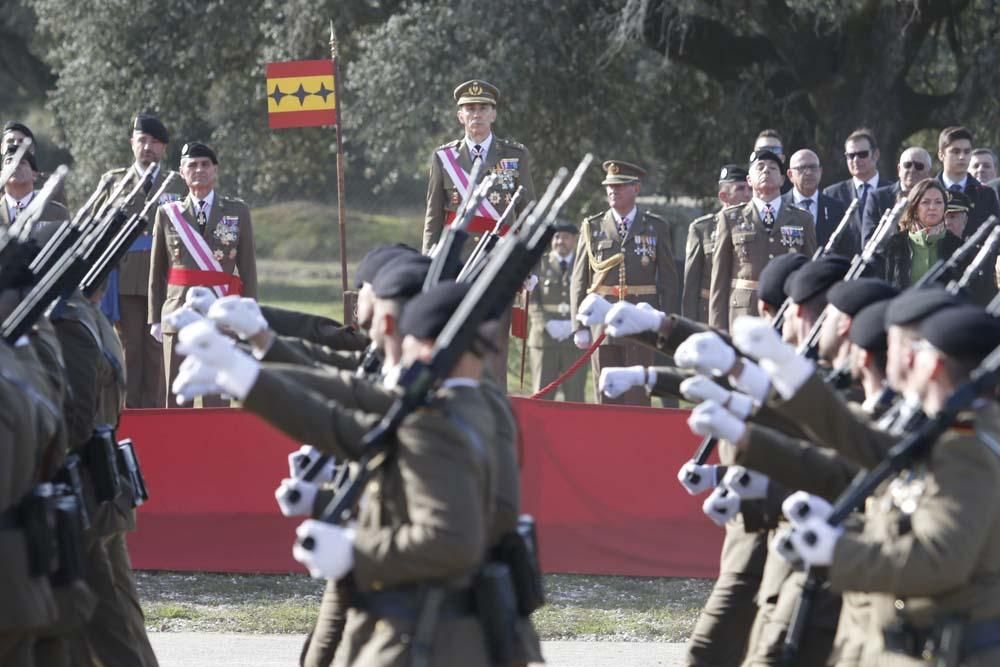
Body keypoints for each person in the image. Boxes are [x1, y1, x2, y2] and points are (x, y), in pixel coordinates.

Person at [176, 281, 499, 666]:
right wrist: (239, 369)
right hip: (416, 610)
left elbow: (455, 539)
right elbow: (347, 407)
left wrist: (355, 550)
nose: (400, 349)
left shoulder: (443, 416)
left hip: (433, 627)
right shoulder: (446, 407)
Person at [773, 303, 1000, 666]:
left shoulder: (964, 447)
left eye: (918, 352)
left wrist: (836, 552)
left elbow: (940, 559)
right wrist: (848, 529)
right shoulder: (952, 434)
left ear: (936, 364)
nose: (909, 360)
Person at [422, 80, 535, 392]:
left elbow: (529, 216)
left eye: (483, 108)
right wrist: (428, 263)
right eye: (470, 109)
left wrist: (529, 266)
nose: (477, 114)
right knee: (455, 339)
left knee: (494, 342)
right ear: (460, 116)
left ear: (493, 114)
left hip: (498, 262)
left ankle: (494, 406)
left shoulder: (515, 156)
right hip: (456, 265)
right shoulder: (443, 158)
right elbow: (433, 218)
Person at [148, 141, 257, 407]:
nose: (199, 170)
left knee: (217, 397)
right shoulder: (168, 213)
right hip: (177, 314)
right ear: (182, 172)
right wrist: (155, 318)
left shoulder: (237, 212)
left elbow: (248, 269)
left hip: (221, 313)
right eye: (192, 165)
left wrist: (250, 316)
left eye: (205, 164)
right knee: (176, 395)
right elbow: (157, 270)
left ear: (215, 170)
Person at [570, 160, 679, 405]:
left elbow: (669, 282)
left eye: (619, 186)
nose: (612, 190)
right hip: (602, 325)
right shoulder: (593, 227)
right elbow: (579, 281)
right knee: (605, 393)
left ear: (636, 189)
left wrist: (667, 323)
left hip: (641, 322)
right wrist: (579, 325)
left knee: (638, 395)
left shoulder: (656, 227)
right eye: (609, 186)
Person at [98, 113, 188, 409]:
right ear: (132, 143)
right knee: (129, 348)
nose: (148, 147)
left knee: (157, 349)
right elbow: (96, 229)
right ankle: (128, 412)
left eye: (155, 142)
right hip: (124, 278)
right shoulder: (113, 182)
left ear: (164, 149)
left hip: (164, 281)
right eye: (142, 140)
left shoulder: (177, 184)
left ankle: (156, 413)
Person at [708, 150, 816, 332]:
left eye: (773, 168)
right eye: (760, 167)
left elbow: (809, 274)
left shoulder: (802, 219)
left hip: (785, 311)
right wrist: (718, 330)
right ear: (749, 180)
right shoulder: (730, 218)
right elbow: (719, 279)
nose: (766, 171)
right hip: (743, 314)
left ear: (782, 179)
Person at [682, 164, 751, 323]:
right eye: (741, 189)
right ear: (723, 196)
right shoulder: (702, 229)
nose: (748, 195)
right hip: (709, 315)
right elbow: (691, 286)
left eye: (750, 188)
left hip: (744, 313)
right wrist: (689, 326)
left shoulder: (756, 229)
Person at [528, 221, 587, 401]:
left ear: (575, 240)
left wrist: (577, 323)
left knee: (575, 396)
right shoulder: (538, 263)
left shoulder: (584, 264)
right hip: (544, 339)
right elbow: (530, 299)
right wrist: (546, 323)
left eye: (566, 237)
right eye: (557, 237)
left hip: (575, 340)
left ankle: (574, 430)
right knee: (542, 394)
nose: (560, 241)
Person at [881, 179, 962, 290]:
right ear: (914, 208)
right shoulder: (895, 244)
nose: (932, 207)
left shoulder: (958, 246)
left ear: (944, 208)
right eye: (925, 202)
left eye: (938, 202)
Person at [823, 128, 890, 242]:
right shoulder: (832, 194)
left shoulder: (892, 192)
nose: (856, 160)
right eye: (851, 155)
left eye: (862, 154)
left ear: (876, 155)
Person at [782, 149, 853, 254]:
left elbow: (845, 250)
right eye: (802, 168)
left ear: (820, 171)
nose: (809, 172)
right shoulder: (779, 206)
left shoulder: (835, 208)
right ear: (790, 174)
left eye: (813, 167)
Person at [860, 146, 933, 246]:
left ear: (929, 173)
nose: (912, 170)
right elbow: (868, 241)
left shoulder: (936, 200)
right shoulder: (877, 198)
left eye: (919, 166)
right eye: (907, 165)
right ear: (899, 169)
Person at [935, 126, 1000, 237]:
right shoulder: (926, 192)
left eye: (967, 151)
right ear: (941, 155)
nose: (962, 157)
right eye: (955, 151)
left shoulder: (986, 195)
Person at [1, 145, 69, 235]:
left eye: (22, 163)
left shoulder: (56, 212)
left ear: (34, 175)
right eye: (9, 161)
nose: (15, 165)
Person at [1, 120, 67, 205]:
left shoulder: (49, 184)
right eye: (10, 141)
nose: (16, 144)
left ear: (31, 150)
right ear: (1, 148)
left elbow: (58, 213)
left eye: (21, 141)